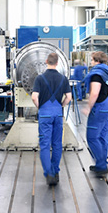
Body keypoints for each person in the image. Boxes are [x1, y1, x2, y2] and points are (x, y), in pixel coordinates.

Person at [31, 53, 72, 186]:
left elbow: (34, 97)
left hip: (45, 113)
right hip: (58, 114)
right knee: (57, 144)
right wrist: (61, 106)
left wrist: (40, 106)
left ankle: (48, 173)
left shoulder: (40, 78)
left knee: (44, 145)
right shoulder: (63, 78)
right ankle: (55, 171)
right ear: (57, 63)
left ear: (46, 61)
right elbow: (69, 97)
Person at [82, 52, 108, 178]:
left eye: (91, 60)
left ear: (96, 60)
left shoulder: (97, 74)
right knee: (102, 136)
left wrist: (88, 107)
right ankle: (101, 163)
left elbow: (95, 93)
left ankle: (101, 165)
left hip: (99, 108)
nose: (91, 62)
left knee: (92, 137)